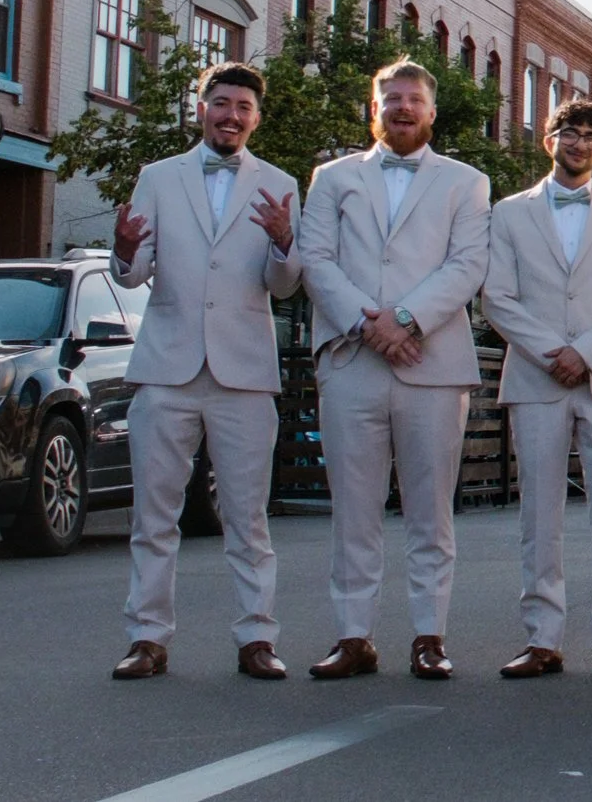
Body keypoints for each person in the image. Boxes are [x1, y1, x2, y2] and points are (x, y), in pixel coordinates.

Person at [299, 59, 493, 681]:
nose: (403, 108)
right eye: (392, 99)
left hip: (431, 363)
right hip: (352, 359)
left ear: (432, 112)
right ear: (373, 107)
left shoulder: (467, 182)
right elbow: (315, 259)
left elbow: (467, 266)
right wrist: (368, 324)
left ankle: (428, 635)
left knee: (428, 509)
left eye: (414, 100)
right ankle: (353, 635)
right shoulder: (331, 178)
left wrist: (403, 319)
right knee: (353, 507)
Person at [108, 62, 302, 681]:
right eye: (221, 103)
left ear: (256, 116)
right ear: (201, 108)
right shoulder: (158, 178)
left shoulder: (279, 183)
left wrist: (282, 241)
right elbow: (132, 276)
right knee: (154, 515)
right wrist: (123, 247)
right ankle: (148, 639)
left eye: (243, 107)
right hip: (168, 368)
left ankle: (256, 639)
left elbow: (284, 284)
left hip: (244, 374)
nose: (231, 116)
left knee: (248, 518)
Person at [481, 97, 592, 681]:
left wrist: (588, 352)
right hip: (535, 377)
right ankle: (543, 638)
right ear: (547, 140)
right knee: (539, 516)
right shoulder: (507, 212)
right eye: (567, 133)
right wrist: (553, 352)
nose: (578, 143)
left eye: (589, 136)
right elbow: (496, 296)